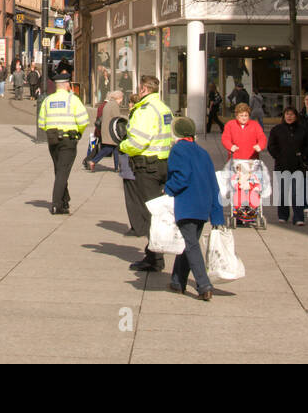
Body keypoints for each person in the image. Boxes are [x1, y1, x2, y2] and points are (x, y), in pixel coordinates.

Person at [119, 74, 175, 272]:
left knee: (150, 212)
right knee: (159, 210)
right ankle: (154, 254)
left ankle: (155, 257)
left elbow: (138, 141)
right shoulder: (164, 108)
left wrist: (123, 145)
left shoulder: (145, 110)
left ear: (144, 89)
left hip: (147, 166)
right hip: (163, 163)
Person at [165, 117, 223, 299]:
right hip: (203, 205)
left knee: (191, 245)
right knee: (188, 243)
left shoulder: (178, 150)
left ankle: (204, 285)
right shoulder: (202, 152)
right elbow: (214, 184)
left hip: (187, 204)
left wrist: (167, 189)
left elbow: (181, 177)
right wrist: (217, 214)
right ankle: (177, 281)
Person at [37, 72, 90, 215]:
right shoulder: (73, 100)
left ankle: (64, 200)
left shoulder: (48, 100)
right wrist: (79, 133)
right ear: (67, 84)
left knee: (59, 170)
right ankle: (56, 204)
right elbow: (84, 120)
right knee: (62, 171)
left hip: (53, 140)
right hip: (68, 140)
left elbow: (41, 123)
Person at [268, 105, 308, 225]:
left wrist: (303, 156)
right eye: (287, 114)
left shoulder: (302, 129)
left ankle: (298, 217)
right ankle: (283, 215)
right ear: (284, 116)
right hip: (282, 165)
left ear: (296, 116)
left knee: (297, 192)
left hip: (298, 166)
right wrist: (278, 156)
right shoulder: (277, 129)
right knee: (283, 192)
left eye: (292, 114)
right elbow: (271, 146)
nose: (289, 117)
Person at [85, 90, 125, 172]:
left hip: (106, 129)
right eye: (121, 98)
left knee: (115, 148)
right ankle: (93, 161)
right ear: (119, 98)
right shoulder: (114, 105)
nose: (122, 100)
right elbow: (116, 118)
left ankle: (118, 167)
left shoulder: (109, 104)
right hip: (111, 131)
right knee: (108, 149)